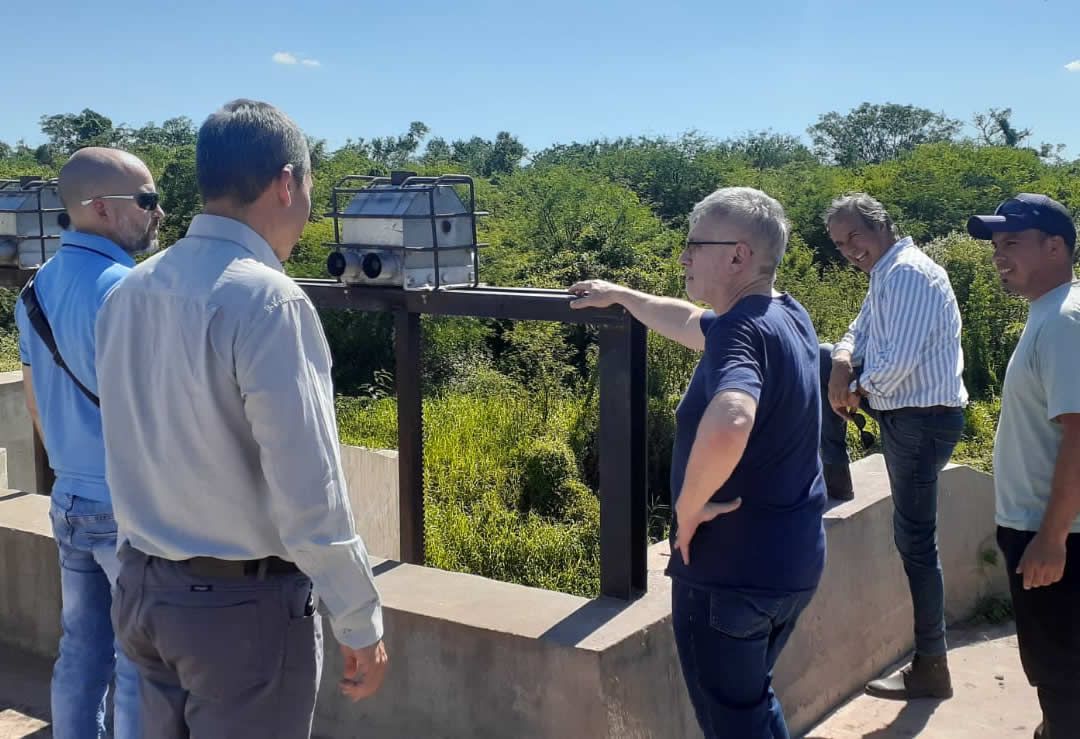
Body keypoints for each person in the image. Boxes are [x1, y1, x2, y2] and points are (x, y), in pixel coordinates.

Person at [96, 99, 387, 738]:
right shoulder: (268, 301)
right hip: (240, 613)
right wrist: (358, 619)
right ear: (287, 183)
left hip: (144, 589)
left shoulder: (129, 293)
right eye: (308, 187)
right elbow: (311, 491)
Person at [569, 186, 825, 739]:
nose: (682, 255)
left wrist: (686, 509)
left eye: (693, 244)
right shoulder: (786, 313)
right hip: (792, 563)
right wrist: (625, 296)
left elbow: (734, 415)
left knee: (735, 724)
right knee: (752, 704)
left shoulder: (741, 328)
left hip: (731, 575)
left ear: (737, 254)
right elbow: (691, 323)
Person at [15, 146, 162, 738]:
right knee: (136, 661)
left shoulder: (36, 288)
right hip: (126, 505)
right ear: (101, 208)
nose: (158, 212)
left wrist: (73, 470)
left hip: (70, 499)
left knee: (80, 650)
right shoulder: (130, 290)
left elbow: (33, 396)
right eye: (147, 200)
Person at [819, 193, 967, 701]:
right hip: (910, 419)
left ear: (879, 224)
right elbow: (859, 331)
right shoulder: (887, 272)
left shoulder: (907, 273)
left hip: (920, 422)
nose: (848, 250)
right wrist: (841, 361)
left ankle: (932, 667)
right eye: (839, 244)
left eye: (853, 236)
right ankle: (932, 662)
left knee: (917, 546)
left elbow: (895, 364)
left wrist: (852, 390)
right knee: (914, 541)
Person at [967, 194, 1080, 739]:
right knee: (1057, 669)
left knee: (1063, 673)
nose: (999, 257)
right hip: (1045, 529)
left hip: (1057, 537)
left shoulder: (1064, 322)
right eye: (996, 246)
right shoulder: (1053, 314)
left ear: (1055, 246)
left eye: (1012, 243)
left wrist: (1053, 537)